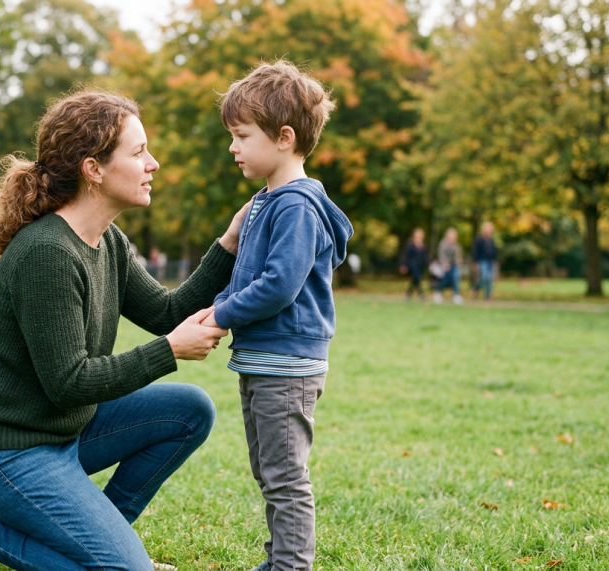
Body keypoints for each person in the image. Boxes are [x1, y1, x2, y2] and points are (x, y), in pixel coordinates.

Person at [0, 90, 251, 571]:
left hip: (64, 432)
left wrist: (229, 242)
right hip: (4, 450)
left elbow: (167, 310)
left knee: (190, 409)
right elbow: (68, 382)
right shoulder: (47, 252)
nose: (152, 163)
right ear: (94, 168)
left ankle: (104, 547)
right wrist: (170, 351)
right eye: (138, 153)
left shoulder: (107, 240)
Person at [202, 60, 353, 571]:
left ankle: (290, 567)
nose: (233, 147)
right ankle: (278, 561)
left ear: (284, 137)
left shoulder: (296, 206)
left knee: (286, 478)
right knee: (269, 471)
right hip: (263, 361)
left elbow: (278, 287)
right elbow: (250, 273)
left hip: (287, 366)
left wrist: (221, 314)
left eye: (242, 135)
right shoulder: (268, 201)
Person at [433, 228, 463, 304]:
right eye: (450, 236)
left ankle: (456, 295)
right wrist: (444, 263)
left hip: (454, 265)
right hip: (445, 265)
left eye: (453, 236)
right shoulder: (443, 243)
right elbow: (441, 254)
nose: (451, 238)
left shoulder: (456, 244)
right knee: (445, 280)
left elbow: (458, 255)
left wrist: (458, 261)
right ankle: (438, 292)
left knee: (455, 278)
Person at [399, 228, 429, 301]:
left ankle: (408, 293)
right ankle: (421, 294)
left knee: (415, 280)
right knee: (416, 277)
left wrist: (430, 263)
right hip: (411, 265)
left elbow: (426, 256)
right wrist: (403, 265)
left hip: (419, 266)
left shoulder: (423, 246)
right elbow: (406, 255)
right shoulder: (410, 245)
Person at [471, 221, 498, 300]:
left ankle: (487, 296)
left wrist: (495, 261)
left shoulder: (491, 240)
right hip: (482, 261)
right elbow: (475, 251)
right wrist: (475, 262)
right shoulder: (479, 240)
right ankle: (476, 288)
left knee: (489, 278)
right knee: (484, 277)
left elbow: (494, 252)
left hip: (490, 261)